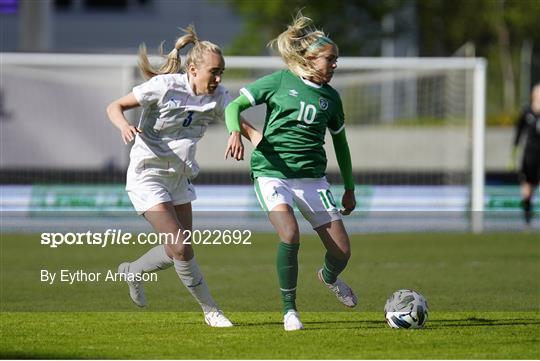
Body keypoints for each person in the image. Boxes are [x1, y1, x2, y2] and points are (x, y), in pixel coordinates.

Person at [106, 26, 257, 327]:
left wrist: (242, 135)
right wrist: (124, 125)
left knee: (180, 248)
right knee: (181, 248)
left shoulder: (218, 97)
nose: (219, 79)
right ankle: (211, 311)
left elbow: (246, 127)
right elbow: (115, 106)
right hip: (147, 175)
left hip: (179, 177)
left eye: (222, 72)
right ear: (192, 69)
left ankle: (132, 271)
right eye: (214, 72)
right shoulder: (163, 86)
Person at [224, 14, 357, 331]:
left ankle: (328, 277)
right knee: (290, 234)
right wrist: (234, 132)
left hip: (312, 179)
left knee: (342, 252)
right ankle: (290, 310)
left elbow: (341, 145)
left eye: (336, 59)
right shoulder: (280, 81)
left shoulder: (332, 99)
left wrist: (349, 187)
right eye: (330, 59)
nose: (335, 65)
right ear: (310, 59)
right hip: (272, 173)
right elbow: (232, 107)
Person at [511, 84, 540, 226]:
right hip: (529, 156)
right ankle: (527, 218)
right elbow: (518, 132)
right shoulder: (527, 112)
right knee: (527, 188)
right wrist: (513, 152)